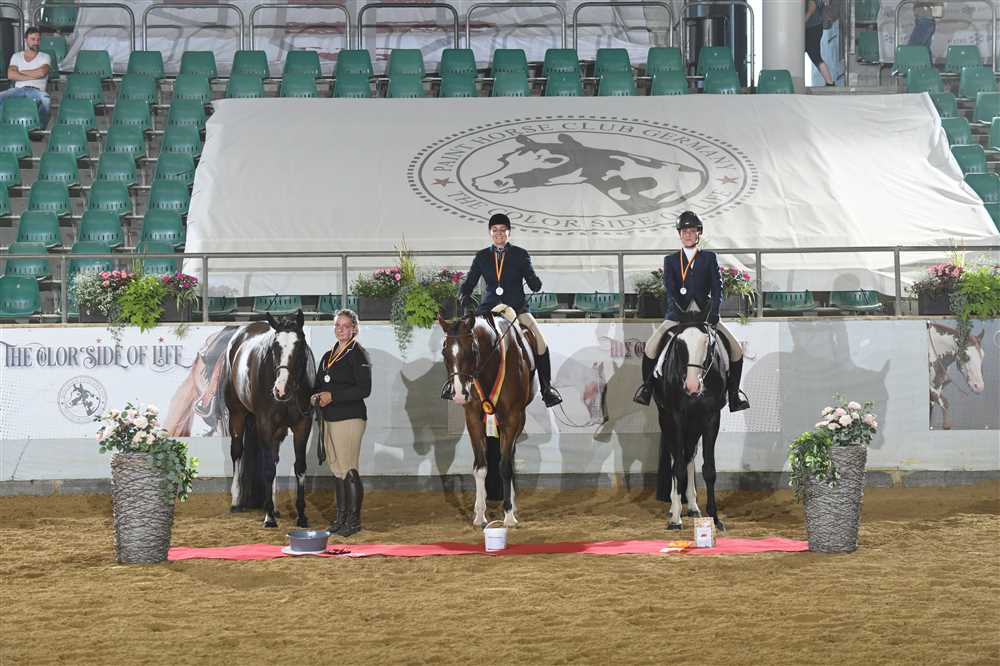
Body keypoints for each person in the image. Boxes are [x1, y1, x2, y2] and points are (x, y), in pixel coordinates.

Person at [632, 211, 750, 412]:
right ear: (679, 234)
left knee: (736, 350)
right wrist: (678, 310)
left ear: (698, 233)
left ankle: (734, 394)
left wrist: (714, 311)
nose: (688, 235)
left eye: (692, 231)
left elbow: (717, 287)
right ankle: (647, 389)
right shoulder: (671, 260)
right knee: (651, 347)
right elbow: (670, 289)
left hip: (705, 315)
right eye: (684, 231)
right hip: (678, 315)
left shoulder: (709, 258)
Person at [452, 212, 563, 408]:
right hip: (489, 308)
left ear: (509, 232)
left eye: (503, 230)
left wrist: (534, 282)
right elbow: (469, 282)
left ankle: (547, 389)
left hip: (516, 308)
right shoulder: (481, 256)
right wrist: (464, 295)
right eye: (495, 230)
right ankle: (457, 386)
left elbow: (531, 278)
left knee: (540, 342)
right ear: (490, 232)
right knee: (462, 340)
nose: (499, 233)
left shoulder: (520, 254)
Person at [312, 308, 371, 537]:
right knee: (337, 469)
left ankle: (353, 521)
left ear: (354, 329)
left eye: (346, 326)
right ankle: (341, 518)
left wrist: (333, 396)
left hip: (350, 418)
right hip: (330, 418)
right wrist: (316, 396)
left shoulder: (358, 354)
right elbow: (320, 384)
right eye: (338, 325)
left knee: (348, 468)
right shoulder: (328, 355)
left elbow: (364, 389)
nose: (341, 330)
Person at [0, 27, 52, 128]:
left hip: (36, 91)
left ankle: (39, 129)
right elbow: (11, 75)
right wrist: (34, 75)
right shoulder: (16, 56)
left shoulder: (45, 56)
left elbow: (42, 73)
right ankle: (3, 128)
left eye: (38, 39)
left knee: (46, 100)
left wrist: (20, 73)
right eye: (33, 39)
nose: (36, 42)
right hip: (18, 90)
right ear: (26, 40)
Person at [805, 0, 836, 86]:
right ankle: (829, 83)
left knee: (815, 57)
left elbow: (812, 8)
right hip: (814, 27)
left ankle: (830, 83)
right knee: (815, 57)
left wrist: (802, 22)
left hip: (812, 28)